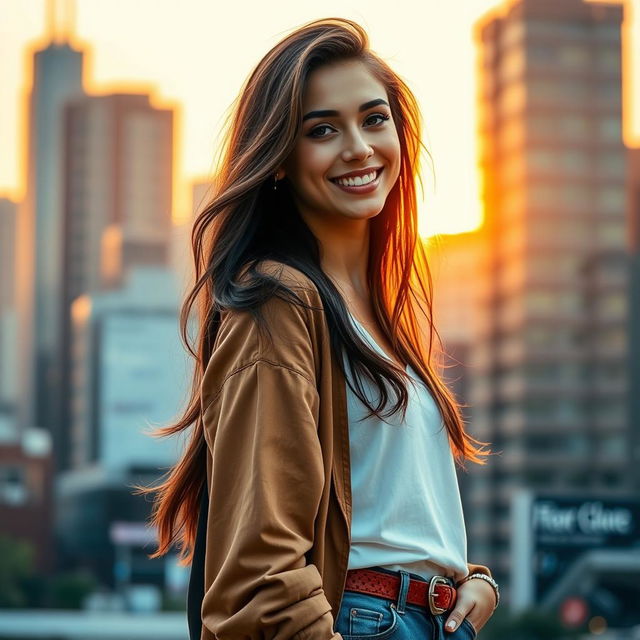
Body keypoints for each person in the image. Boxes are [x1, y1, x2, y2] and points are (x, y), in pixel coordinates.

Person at [138, 16, 499, 640]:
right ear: (278, 160)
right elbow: (262, 570)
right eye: (322, 130)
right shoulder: (279, 302)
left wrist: (467, 583)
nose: (358, 147)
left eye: (374, 118)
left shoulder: (384, 315)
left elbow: (382, 517)